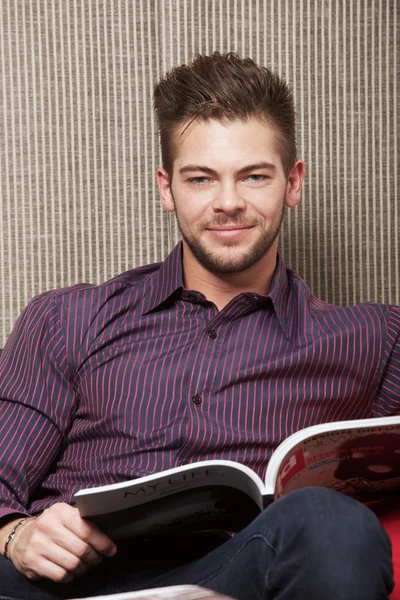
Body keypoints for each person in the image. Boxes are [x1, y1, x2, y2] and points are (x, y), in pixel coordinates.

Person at [0, 51, 398, 600]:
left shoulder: (375, 339)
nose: (228, 202)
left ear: (293, 183)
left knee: (331, 524)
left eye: (254, 176)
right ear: (167, 188)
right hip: (72, 586)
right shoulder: (65, 319)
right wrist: (17, 534)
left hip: (241, 576)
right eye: (201, 178)